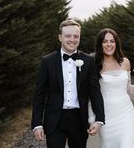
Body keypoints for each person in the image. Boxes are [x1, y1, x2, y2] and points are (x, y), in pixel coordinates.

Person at [31, 19, 105, 148]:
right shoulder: (48, 61)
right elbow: (39, 95)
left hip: (79, 119)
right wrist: (37, 124)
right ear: (60, 37)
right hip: (55, 119)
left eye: (76, 36)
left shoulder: (88, 61)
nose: (72, 39)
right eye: (68, 36)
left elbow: (95, 92)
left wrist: (99, 119)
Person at [94, 28, 134, 148]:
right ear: (100, 44)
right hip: (106, 116)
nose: (109, 44)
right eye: (105, 41)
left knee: (126, 145)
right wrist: (93, 119)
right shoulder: (95, 64)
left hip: (126, 113)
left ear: (116, 43)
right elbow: (92, 95)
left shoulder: (125, 62)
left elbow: (129, 89)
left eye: (112, 41)